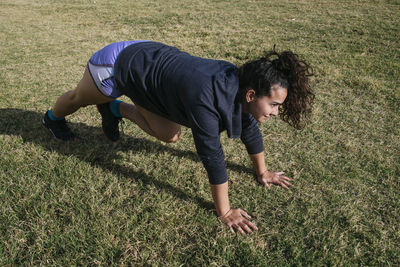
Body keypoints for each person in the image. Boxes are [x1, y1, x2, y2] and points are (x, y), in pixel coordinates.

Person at [42, 40, 314, 235]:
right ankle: (52, 119)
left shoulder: (238, 88)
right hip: (119, 63)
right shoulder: (207, 99)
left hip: (148, 78)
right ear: (252, 95)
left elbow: (249, 129)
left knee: (169, 135)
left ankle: (114, 109)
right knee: (79, 98)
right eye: (275, 105)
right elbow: (212, 156)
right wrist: (224, 211)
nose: (276, 113)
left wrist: (263, 172)